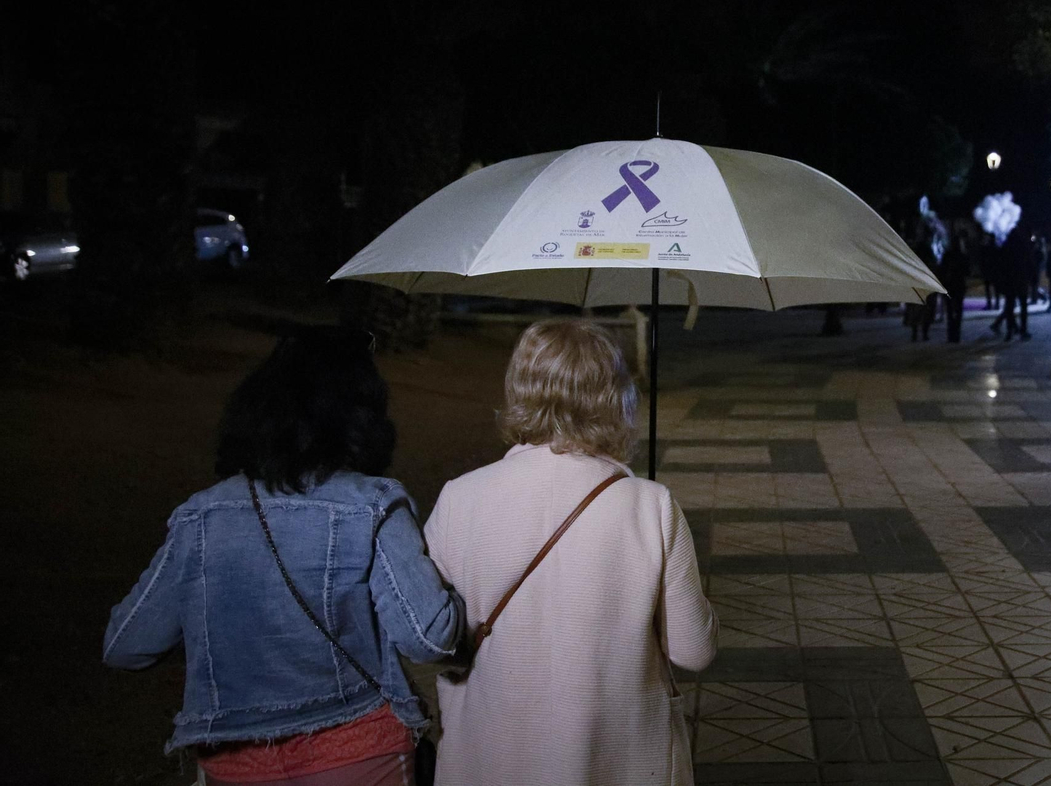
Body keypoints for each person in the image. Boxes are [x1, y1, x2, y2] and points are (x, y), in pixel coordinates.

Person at [104, 327, 463, 786]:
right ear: (361, 415)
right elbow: (427, 639)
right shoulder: (372, 505)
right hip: (358, 752)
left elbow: (127, 645)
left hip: (235, 763)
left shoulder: (201, 516)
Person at [425, 320, 717, 785]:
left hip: (495, 756)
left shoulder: (458, 498)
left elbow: (433, 638)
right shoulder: (651, 505)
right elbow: (694, 651)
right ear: (616, 397)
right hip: (623, 762)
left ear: (520, 390)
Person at [939, 232, 971, 342]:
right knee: (958, 310)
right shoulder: (962, 256)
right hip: (959, 285)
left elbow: (942, 270)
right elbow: (968, 271)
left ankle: (950, 334)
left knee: (950, 310)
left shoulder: (947, 255)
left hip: (949, 285)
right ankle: (956, 333)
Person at [979, 233, 1000, 309]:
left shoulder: (987, 248)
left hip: (989, 270)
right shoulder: (997, 248)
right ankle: (996, 303)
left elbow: (983, 260)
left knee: (989, 288)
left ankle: (990, 303)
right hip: (995, 270)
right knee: (995, 288)